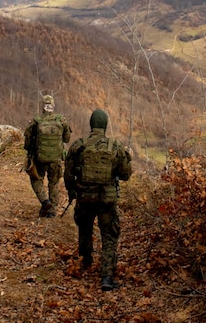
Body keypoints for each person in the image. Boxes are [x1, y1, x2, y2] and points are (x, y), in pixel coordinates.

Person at [64, 108, 132, 291]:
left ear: (91, 124)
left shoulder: (79, 145)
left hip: (84, 197)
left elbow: (68, 174)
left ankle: (85, 262)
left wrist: (72, 192)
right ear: (105, 125)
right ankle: (106, 277)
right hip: (106, 200)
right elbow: (126, 175)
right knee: (109, 235)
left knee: (85, 228)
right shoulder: (116, 146)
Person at [24, 94, 72, 217]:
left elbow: (28, 141)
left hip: (39, 158)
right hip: (56, 158)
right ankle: (52, 209)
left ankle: (46, 203)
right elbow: (66, 139)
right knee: (54, 182)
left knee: (36, 179)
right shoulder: (61, 120)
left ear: (43, 107)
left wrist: (30, 153)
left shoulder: (36, 120)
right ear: (53, 106)